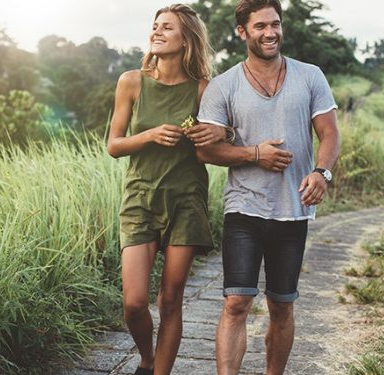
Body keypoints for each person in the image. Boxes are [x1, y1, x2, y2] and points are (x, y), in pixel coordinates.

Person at [185, 0, 341, 374]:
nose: (270, 33)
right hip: (244, 208)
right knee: (236, 302)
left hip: (293, 208)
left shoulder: (310, 76)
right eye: (260, 27)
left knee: (282, 305)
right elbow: (206, 151)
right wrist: (255, 154)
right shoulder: (223, 86)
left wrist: (322, 172)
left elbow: (329, 132)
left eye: (275, 24)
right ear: (243, 32)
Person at [106, 4, 225, 375]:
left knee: (171, 300)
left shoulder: (205, 89)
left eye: (166, 28)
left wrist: (224, 132)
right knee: (135, 303)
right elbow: (114, 144)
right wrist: (150, 135)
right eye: (155, 26)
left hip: (186, 200)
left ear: (186, 38)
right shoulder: (132, 82)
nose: (156, 32)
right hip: (139, 198)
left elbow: (218, 141)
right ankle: (146, 357)